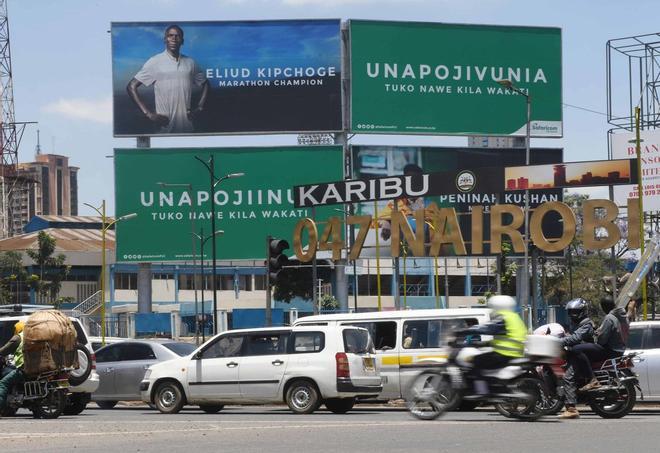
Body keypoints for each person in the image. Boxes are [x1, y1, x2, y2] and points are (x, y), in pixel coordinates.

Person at [127, 24, 209, 134]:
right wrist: (149, 114)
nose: (174, 39)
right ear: (165, 39)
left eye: (177, 36)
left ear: (182, 41)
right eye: (170, 35)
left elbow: (206, 84)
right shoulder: (155, 61)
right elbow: (131, 86)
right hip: (164, 130)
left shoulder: (191, 63)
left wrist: (199, 108)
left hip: (188, 129)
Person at [465, 295, 527, 391]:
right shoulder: (515, 317)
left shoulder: (503, 317)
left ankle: (481, 392)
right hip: (515, 353)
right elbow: (506, 336)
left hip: (503, 354)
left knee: (475, 361)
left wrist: (465, 330)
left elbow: (487, 328)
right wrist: (484, 344)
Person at [569, 295, 628, 396]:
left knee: (576, 349)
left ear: (604, 307)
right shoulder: (622, 317)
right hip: (618, 349)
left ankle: (592, 379)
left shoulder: (609, 318)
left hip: (609, 350)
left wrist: (595, 340)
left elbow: (602, 339)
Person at [558, 298, 595, 420]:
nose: (572, 314)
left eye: (575, 311)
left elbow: (576, 338)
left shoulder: (586, 324)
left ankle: (571, 409)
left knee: (568, 377)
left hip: (581, 356)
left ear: (582, 311)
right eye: (570, 312)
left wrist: (559, 341)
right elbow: (571, 336)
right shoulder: (576, 323)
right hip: (575, 353)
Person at [0, 321, 25, 411]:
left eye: (15, 329)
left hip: (24, 368)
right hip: (36, 368)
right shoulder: (33, 337)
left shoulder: (19, 337)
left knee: (2, 383)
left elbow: (6, 348)